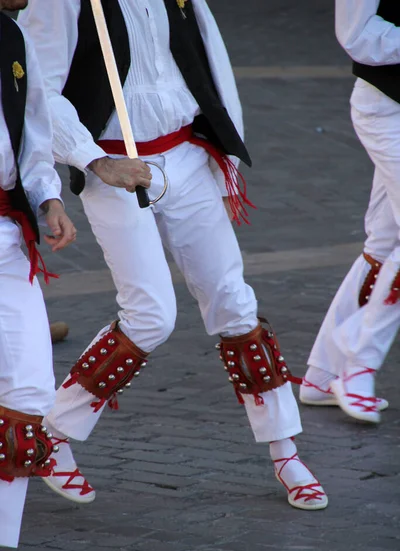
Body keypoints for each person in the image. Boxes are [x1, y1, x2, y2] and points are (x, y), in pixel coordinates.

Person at [19, 0, 328, 511]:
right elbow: (40, 90)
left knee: (233, 299)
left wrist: (228, 153)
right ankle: (54, 430)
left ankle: (285, 449)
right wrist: (95, 159)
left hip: (186, 154)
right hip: (115, 164)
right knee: (151, 315)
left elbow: (209, 59)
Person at [0, 2, 76, 551]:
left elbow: (33, 137)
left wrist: (47, 196)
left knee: (27, 388)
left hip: (7, 232)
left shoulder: (12, 34)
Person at [300, 0, 400, 424]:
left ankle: (323, 375)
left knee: (385, 240)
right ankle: (358, 361)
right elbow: (356, 35)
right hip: (387, 108)